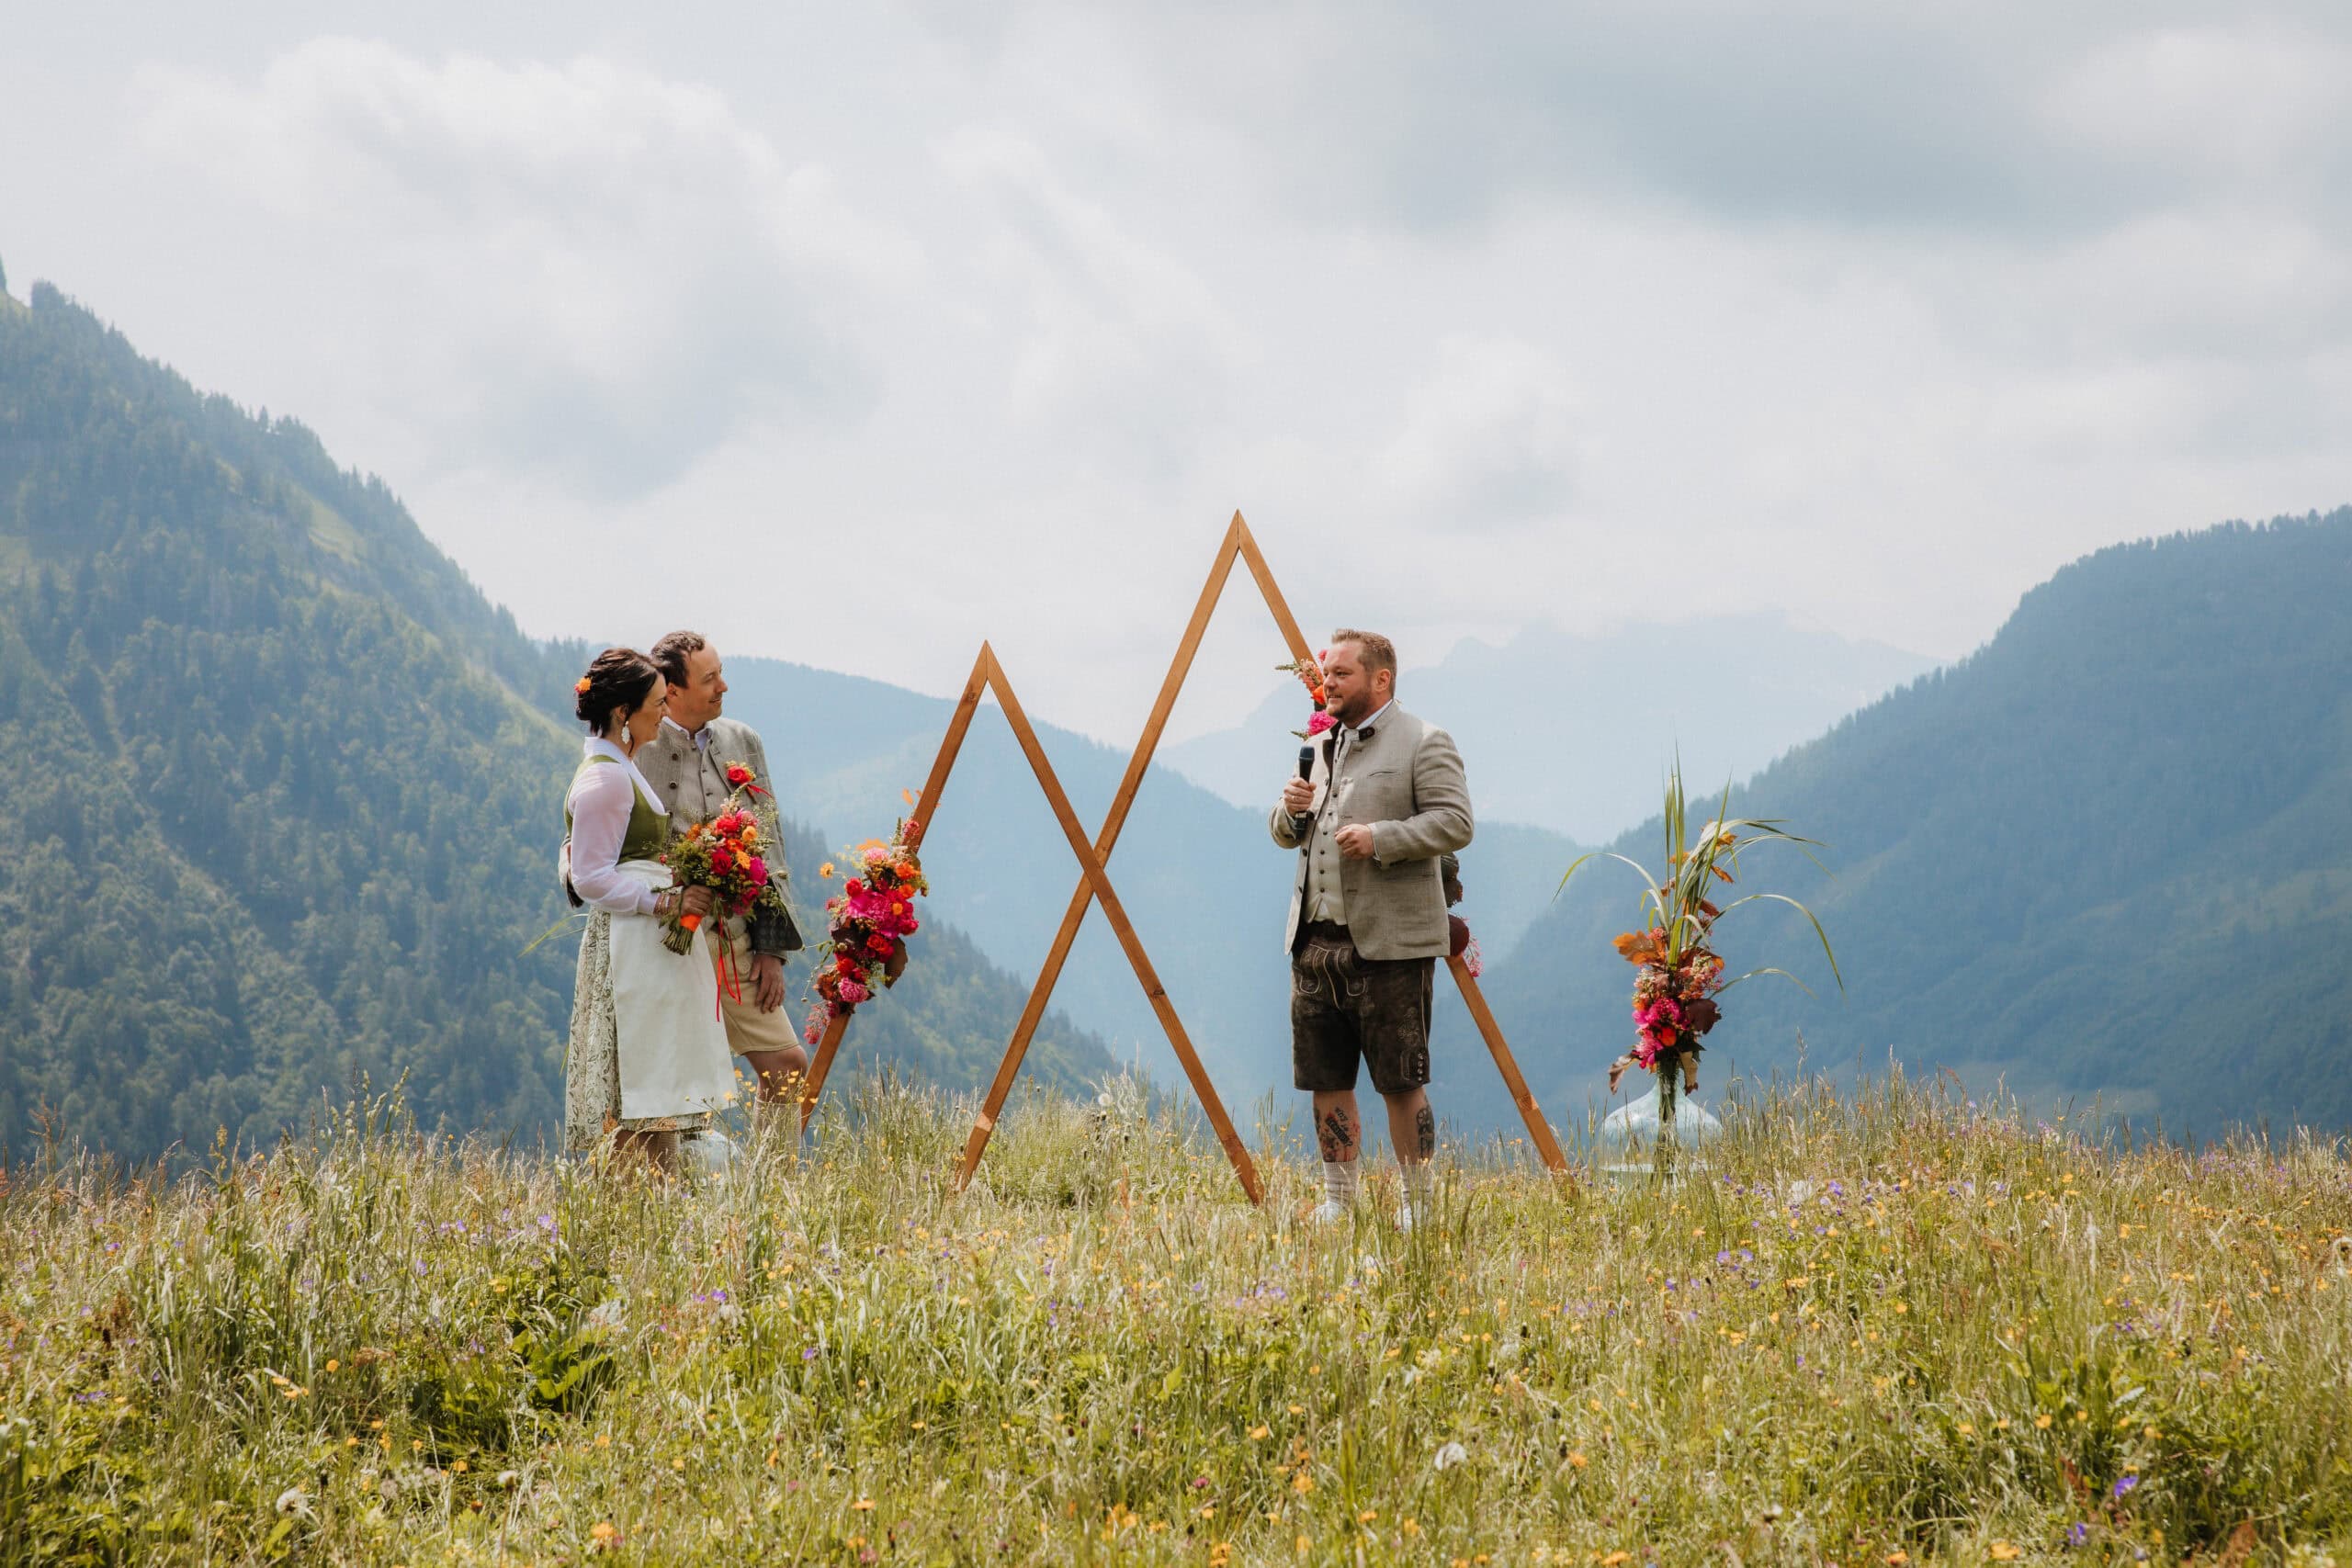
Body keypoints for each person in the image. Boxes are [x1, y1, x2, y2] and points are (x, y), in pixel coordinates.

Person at [1272, 629, 1473, 1230]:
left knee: (1400, 1078)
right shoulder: (1320, 743)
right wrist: (1290, 809)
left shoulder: (1424, 741)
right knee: (1324, 1077)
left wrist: (1382, 838)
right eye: (1326, 674)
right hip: (1314, 939)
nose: (1327, 683)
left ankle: (1417, 1205)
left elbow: (1455, 821)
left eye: (1340, 674)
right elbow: (1285, 833)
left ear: (1380, 678)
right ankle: (1339, 1200)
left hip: (1389, 945)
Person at [560, 648, 736, 1168]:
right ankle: (638, 1198)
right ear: (623, 713)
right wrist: (663, 901)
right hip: (632, 942)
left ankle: (650, 1198)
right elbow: (590, 876)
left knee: (653, 1082)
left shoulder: (617, 767)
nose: (664, 712)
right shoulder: (606, 778)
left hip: (643, 939)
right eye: (657, 704)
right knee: (641, 1082)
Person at [639, 630, 808, 1127]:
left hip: (738, 941)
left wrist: (771, 949)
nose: (723, 687)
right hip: (666, 942)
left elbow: (769, 845)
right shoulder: (638, 745)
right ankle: (659, 1197)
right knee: (667, 1092)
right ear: (672, 690)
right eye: (709, 678)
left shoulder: (742, 741)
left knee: (787, 1068)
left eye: (720, 673)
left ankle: (769, 1196)